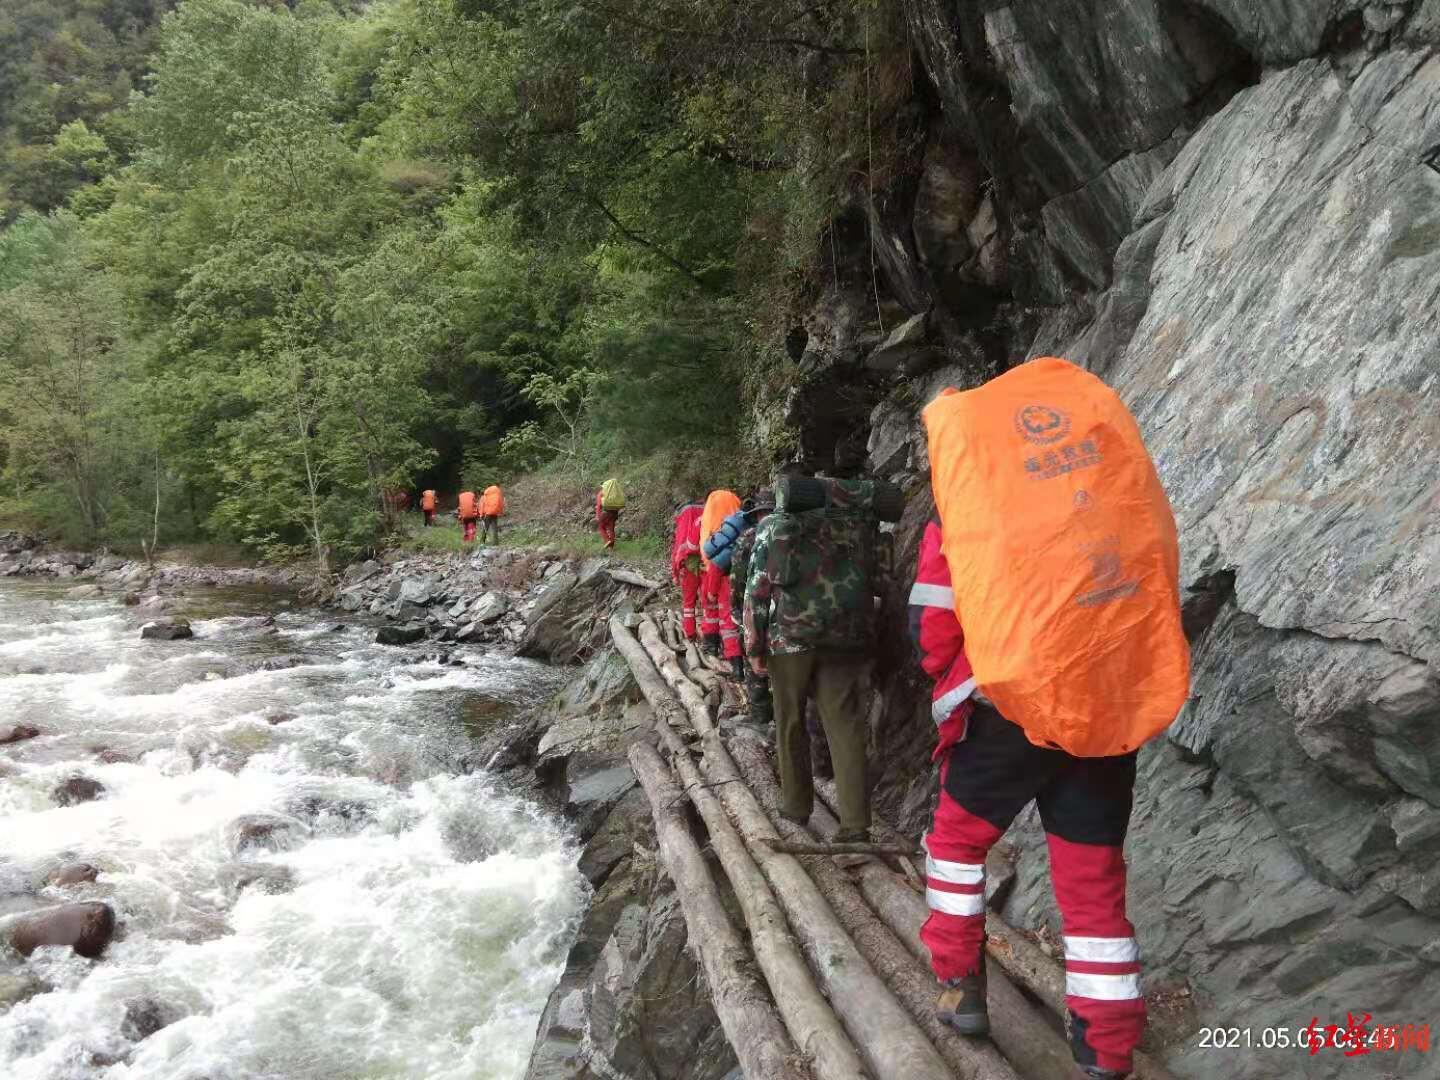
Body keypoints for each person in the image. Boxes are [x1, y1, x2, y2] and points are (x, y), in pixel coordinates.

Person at [911, 518, 1145, 1075]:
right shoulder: (1109, 488)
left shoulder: (974, 493)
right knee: (1093, 880)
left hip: (1006, 708)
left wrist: (950, 674)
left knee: (955, 850)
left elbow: (932, 625)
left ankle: (959, 986)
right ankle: (1106, 1049)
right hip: (1103, 707)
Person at [743, 477, 881, 843]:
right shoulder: (853, 523)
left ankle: (796, 806)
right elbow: (878, 578)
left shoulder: (773, 526)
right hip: (845, 638)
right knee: (846, 726)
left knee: (790, 722)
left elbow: (757, 589)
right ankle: (855, 825)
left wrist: (754, 646)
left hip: (789, 642)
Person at [728, 490, 775, 728]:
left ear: (757, 515)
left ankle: (761, 716)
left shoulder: (748, 537)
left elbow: (737, 577)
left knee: (753, 658)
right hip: (784, 611)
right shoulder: (790, 531)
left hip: (755, 605)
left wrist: (736, 608)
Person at [698, 489, 742, 660]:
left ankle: (727, 654)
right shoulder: (743, 526)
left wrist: (711, 590)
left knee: (722, 615)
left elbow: (715, 562)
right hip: (740, 575)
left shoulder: (719, 533)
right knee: (732, 616)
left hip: (720, 574)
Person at [670, 499, 705, 641]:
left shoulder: (685, 514)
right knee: (708, 599)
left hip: (689, 561)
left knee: (689, 602)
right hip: (708, 558)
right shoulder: (706, 510)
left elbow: (680, 544)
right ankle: (709, 634)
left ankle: (690, 633)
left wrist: (675, 571)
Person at [596, 479, 623, 549]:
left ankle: (607, 540)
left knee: (601, 527)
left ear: (602, 486)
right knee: (611, 529)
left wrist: (598, 516)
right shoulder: (614, 493)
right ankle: (611, 548)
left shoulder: (601, 493)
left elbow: (599, 506)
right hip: (614, 513)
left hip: (605, 513)